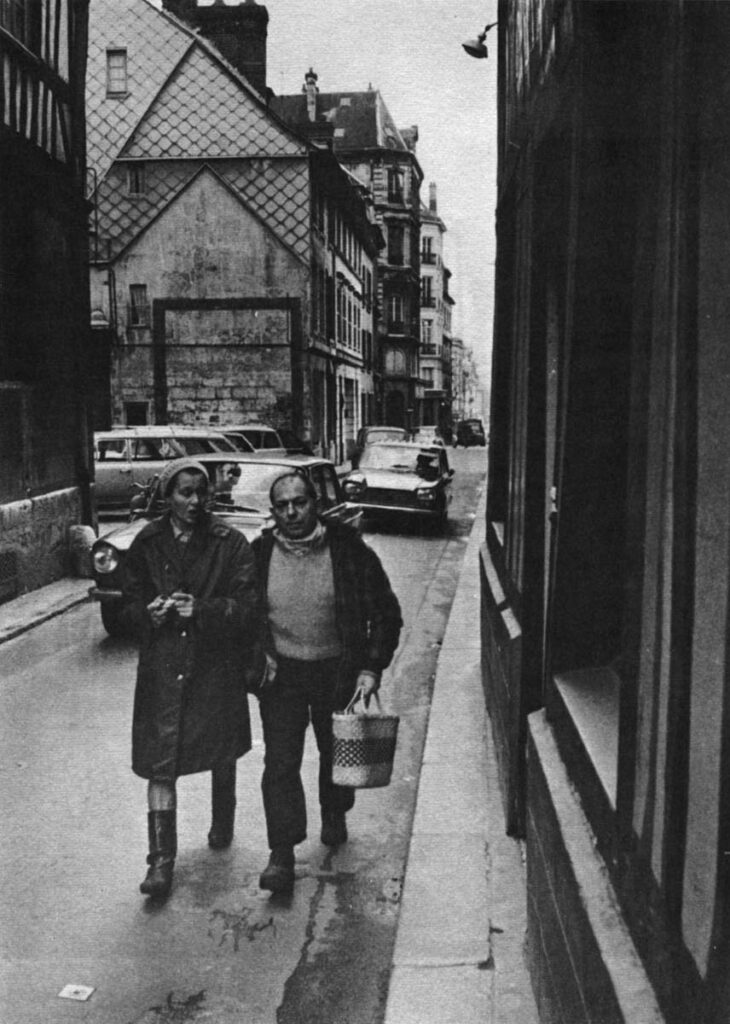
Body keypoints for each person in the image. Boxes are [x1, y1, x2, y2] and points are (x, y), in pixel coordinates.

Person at [251, 470, 402, 894]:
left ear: (315, 503)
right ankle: (282, 852)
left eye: (299, 502)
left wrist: (370, 668)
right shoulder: (258, 553)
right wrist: (257, 652)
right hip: (282, 675)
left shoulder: (349, 551)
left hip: (337, 671)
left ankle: (334, 811)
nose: (291, 511)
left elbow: (387, 614)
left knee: (335, 753)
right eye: (282, 505)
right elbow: (243, 615)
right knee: (280, 762)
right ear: (273, 511)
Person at [120, 457, 259, 899]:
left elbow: (249, 609)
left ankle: (223, 818)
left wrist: (202, 610)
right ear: (167, 496)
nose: (196, 501)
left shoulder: (230, 543)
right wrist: (147, 613)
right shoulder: (147, 542)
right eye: (185, 492)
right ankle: (160, 862)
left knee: (221, 749)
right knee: (160, 760)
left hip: (213, 668)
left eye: (202, 492)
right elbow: (124, 604)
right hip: (164, 669)